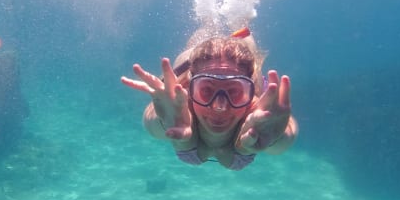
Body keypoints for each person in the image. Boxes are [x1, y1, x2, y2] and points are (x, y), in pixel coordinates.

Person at [121, 28, 297, 170]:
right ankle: (207, 22)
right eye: (206, 89)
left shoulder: (256, 111)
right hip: (189, 61)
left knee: (247, 45)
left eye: (234, 91)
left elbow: (284, 130)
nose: (219, 106)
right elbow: (151, 121)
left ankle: (242, 24)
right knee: (197, 44)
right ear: (191, 87)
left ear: (249, 92)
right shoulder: (179, 103)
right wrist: (163, 121)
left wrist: (279, 136)